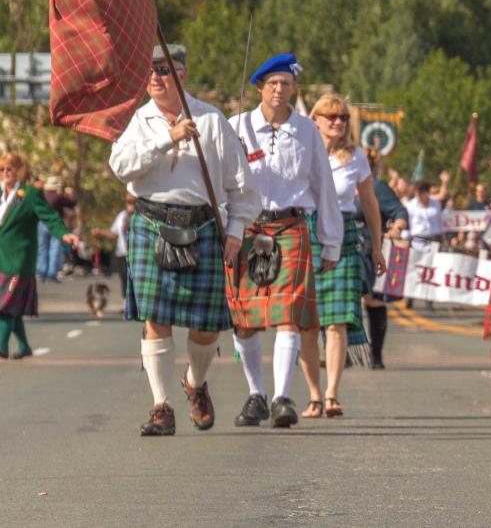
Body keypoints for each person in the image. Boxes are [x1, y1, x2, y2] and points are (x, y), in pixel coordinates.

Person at [109, 44, 259, 436]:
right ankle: (161, 407)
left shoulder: (211, 120)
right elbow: (120, 166)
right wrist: (167, 139)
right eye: (150, 71)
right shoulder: (137, 121)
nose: (156, 78)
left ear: (182, 74)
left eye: (164, 70)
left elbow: (242, 187)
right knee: (155, 320)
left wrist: (236, 230)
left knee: (206, 327)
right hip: (151, 222)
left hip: (203, 226)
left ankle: (195, 383)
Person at [228, 53, 340, 429]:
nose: (279, 90)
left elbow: (324, 188)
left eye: (286, 84)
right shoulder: (236, 126)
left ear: (294, 88)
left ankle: (281, 398)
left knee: (289, 315)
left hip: (291, 226)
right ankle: (256, 394)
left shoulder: (308, 131)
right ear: (260, 87)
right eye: (272, 84)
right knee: (244, 317)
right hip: (246, 229)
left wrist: (331, 241)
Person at [298, 93, 386, 416]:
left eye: (343, 117)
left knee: (337, 322)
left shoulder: (357, 157)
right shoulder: (303, 152)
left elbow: (370, 204)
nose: (337, 122)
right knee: (307, 322)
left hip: (346, 235)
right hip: (308, 233)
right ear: (315, 120)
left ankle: (332, 393)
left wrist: (377, 245)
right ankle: (313, 395)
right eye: (331, 116)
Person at [1, 153, 80, 358]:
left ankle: (0, 345)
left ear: (19, 170)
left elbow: (51, 217)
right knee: (10, 305)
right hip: (2, 258)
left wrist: (64, 235)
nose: (5, 173)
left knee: (6, 304)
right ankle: (25, 346)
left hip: (20, 260)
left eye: (9, 168)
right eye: (1, 169)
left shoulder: (30, 194)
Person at [360, 147, 407, 369]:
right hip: (341, 247)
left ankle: (375, 354)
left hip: (371, 248)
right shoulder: (337, 183)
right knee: (345, 303)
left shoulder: (377, 187)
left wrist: (397, 226)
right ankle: (346, 353)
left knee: (374, 301)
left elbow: (399, 211)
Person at [92, 196, 134, 299]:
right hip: (123, 252)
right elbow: (113, 233)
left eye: (132, 203)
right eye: (128, 203)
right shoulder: (122, 216)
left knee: (135, 279)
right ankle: (125, 303)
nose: (130, 206)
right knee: (124, 277)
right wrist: (100, 232)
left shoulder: (141, 216)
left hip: (137, 253)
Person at [38, 175, 75, 282]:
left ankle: (42, 272)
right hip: (55, 224)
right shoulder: (58, 196)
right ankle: (52, 273)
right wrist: (73, 194)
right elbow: (72, 203)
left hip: (42, 223)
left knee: (43, 248)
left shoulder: (42, 196)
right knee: (54, 248)